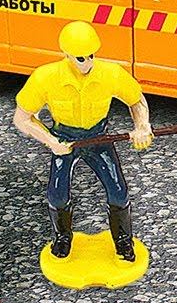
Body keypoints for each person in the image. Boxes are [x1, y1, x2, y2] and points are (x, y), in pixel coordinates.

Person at [12, 21, 153, 262]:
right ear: (66, 54)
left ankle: (123, 240)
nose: (87, 62)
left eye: (91, 55)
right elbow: (21, 118)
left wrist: (142, 126)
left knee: (118, 191)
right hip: (64, 139)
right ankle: (62, 237)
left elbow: (136, 100)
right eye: (80, 58)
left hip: (98, 138)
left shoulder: (110, 74)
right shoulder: (46, 77)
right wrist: (51, 141)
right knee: (57, 194)